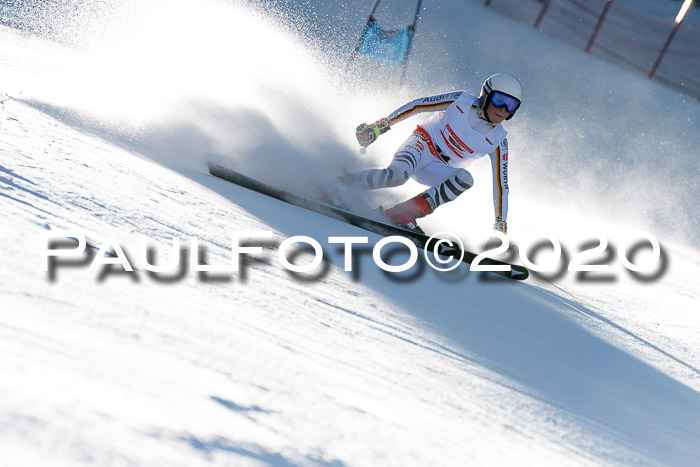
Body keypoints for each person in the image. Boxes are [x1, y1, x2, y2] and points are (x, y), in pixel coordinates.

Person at [351, 73, 522, 234]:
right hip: (421, 145)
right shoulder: (461, 100)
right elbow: (417, 106)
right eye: (500, 100)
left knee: (465, 179)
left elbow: (501, 185)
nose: (503, 109)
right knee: (397, 176)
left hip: (438, 168)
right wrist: (380, 126)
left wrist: (500, 224)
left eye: (512, 105)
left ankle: (402, 213)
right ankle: (342, 185)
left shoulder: (499, 140)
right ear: (486, 96)